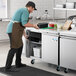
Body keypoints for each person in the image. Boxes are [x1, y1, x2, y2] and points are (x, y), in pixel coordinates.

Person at [5, 1, 39, 72]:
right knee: (14, 48)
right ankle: (7, 67)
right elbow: (24, 23)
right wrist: (34, 26)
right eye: (33, 9)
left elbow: (20, 23)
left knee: (20, 46)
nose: (32, 11)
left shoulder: (23, 10)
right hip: (13, 30)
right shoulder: (25, 11)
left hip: (15, 29)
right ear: (30, 7)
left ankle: (18, 63)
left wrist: (24, 34)